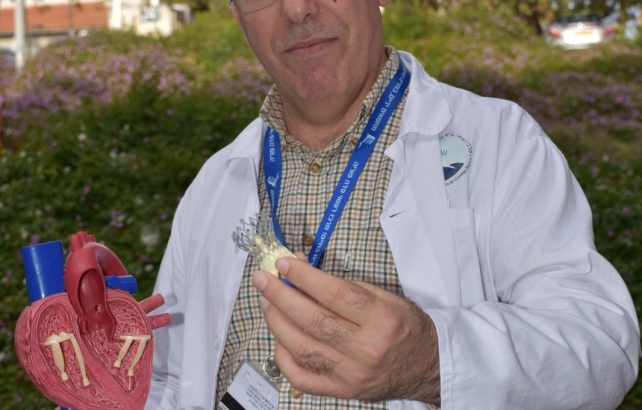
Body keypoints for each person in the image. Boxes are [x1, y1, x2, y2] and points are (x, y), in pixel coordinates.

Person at [146, 1, 640, 409]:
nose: (297, 9)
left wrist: (431, 361)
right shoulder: (214, 182)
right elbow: (170, 377)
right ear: (237, 15)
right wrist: (117, 382)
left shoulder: (502, 141)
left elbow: (602, 347)